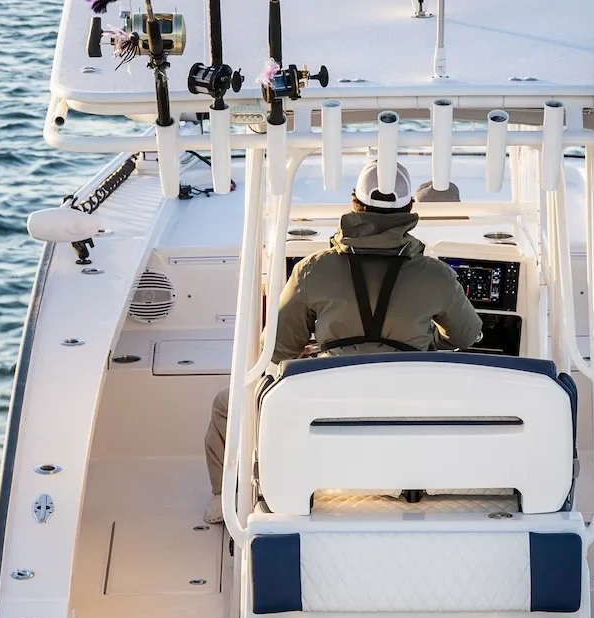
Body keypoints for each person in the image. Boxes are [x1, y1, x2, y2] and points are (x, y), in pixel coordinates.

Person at [204, 162, 482, 520]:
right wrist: (425, 343)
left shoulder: (312, 269)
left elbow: (277, 349)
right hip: (408, 407)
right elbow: (466, 335)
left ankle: (224, 499)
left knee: (226, 404)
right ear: (410, 208)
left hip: (330, 410)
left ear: (354, 203)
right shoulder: (437, 275)